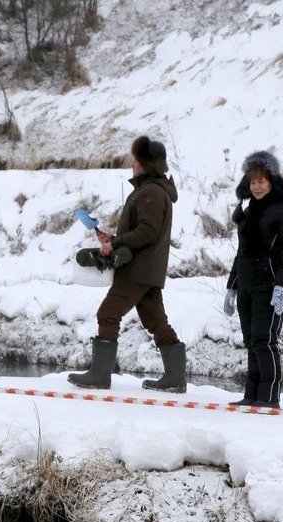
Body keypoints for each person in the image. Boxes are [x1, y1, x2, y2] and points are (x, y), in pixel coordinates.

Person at [68, 135, 184, 392]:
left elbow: (147, 232)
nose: (133, 164)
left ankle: (99, 375)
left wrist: (116, 245)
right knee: (156, 322)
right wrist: (114, 239)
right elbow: (145, 232)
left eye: (136, 159)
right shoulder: (153, 190)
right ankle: (175, 378)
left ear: (145, 163)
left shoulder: (151, 192)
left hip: (137, 271)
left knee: (108, 314)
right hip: (147, 270)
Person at [223, 150, 283, 408]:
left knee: (265, 340)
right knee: (251, 341)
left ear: (271, 181)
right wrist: (232, 287)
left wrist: (281, 285)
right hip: (247, 284)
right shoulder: (247, 211)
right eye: (253, 181)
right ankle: (252, 395)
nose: (256, 186)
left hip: (271, 286)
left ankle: (269, 398)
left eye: (261, 181)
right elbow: (242, 252)